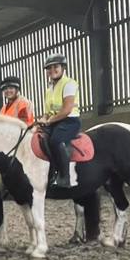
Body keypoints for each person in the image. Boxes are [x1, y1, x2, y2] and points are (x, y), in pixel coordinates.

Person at [38, 53, 81, 188]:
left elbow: (67, 109)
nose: (52, 70)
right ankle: (50, 172)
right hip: (55, 121)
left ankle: (64, 176)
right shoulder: (49, 90)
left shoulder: (69, 84)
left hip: (70, 121)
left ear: (63, 67)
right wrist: (43, 119)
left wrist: (50, 121)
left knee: (56, 140)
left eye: (55, 67)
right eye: (49, 68)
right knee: (39, 137)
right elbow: (47, 111)